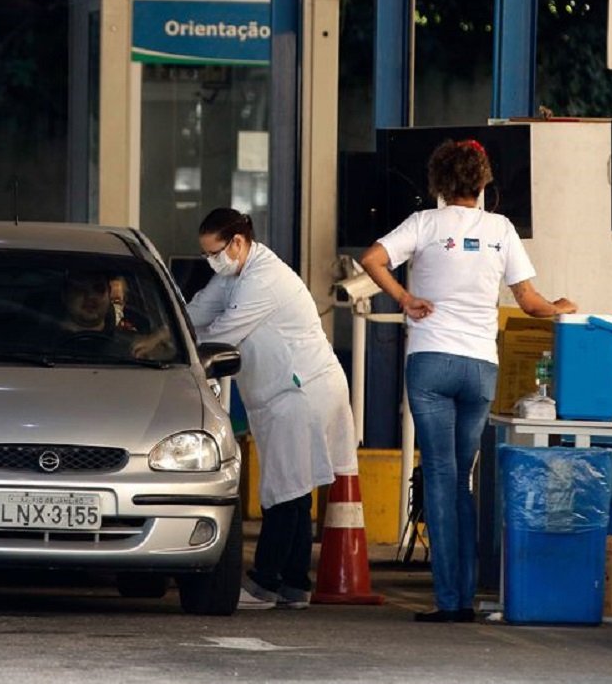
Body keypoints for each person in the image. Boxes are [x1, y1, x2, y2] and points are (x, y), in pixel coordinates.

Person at [360, 138, 577, 623]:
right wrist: (562, 309)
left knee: (439, 475)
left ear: (438, 181)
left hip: (431, 361)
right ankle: (469, 592)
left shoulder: (424, 223)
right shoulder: (501, 229)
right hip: (480, 366)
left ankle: (449, 599)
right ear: (483, 182)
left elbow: (372, 259)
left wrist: (404, 296)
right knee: (464, 478)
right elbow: (529, 300)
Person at [186, 207, 359, 609]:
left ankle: (265, 582)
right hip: (282, 392)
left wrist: (173, 348)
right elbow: (196, 312)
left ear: (239, 243)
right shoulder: (233, 275)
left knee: (284, 492)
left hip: (300, 390)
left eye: (215, 253)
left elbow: (226, 330)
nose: (212, 262)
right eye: (207, 255)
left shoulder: (265, 278)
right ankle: (295, 585)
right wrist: (164, 329)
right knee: (292, 489)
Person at [232, 325, 324, 610]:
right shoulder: (257, 312)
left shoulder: (238, 310)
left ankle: (265, 583)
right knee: (296, 497)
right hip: (292, 404)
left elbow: (211, 336)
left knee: (282, 498)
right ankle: (295, 584)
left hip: (281, 409)